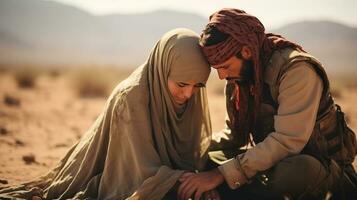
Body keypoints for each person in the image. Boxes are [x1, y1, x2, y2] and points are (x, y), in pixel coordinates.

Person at [0, 28, 212, 199]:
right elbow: (135, 171)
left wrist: (201, 180)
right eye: (182, 84)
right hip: (116, 171)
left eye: (198, 86)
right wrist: (186, 180)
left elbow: (190, 153)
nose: (188, 94)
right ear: (163, 68)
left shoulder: (189, 96)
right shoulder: (131, 99)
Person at [178, 8, 357, 200]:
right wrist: (191, 146)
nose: (222, 76)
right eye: (217, 69)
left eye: (225, 67)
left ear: (246, 51)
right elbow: (234, 137)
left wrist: (219, 175)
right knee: (205, 159)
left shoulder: (296, 70)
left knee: (292, 172)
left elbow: (287, 141)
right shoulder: (239, 80)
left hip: (319, 166)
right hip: (269, 164)